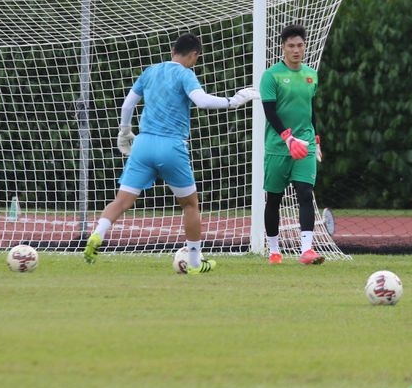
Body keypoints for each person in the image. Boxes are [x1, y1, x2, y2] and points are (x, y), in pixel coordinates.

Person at [83, 33, 259, 273]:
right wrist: (233, 101)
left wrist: (124, 132)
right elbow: (202, 101)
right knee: (189, 205)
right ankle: (196, 263)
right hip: (171, 147)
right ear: (194, 55)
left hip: (143, 144)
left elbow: (127, 105)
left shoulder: (150, 71)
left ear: (172, 49)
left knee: (122, 200)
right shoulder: (186, 74)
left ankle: (97, 234)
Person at [259, 24, 324, 265]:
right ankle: (274, 250)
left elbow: (310, 110)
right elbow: (270, 112)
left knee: (305, 193)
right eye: (291, 46)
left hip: (304, 145)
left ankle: (307, 250)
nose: (296, 50)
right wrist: (287, 138)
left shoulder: (311, 75)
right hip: (279, 147)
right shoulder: (271, 75)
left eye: (300, 45)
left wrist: (315, 139)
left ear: (304, 47)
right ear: (283, 48)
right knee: (274, 199)